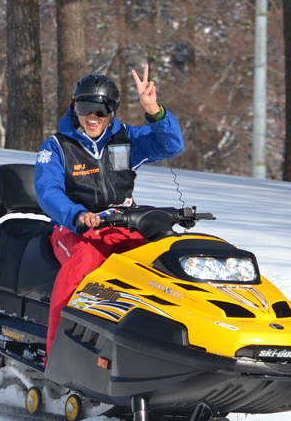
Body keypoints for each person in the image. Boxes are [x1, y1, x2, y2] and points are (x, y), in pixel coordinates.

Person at [35, 65, 184, 357]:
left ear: (112, 112)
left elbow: (171, 145)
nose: (93, 116)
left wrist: (154, 111)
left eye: (101, 110)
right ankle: (58, 357)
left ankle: (165, 346)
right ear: (74, 108)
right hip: (74, 230)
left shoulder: (126, 139)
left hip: (124, 225)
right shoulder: (57, 147)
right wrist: (78, 215)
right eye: (85, 107)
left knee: (162, 262)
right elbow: (47, 191)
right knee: (82, 266)